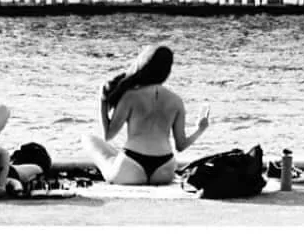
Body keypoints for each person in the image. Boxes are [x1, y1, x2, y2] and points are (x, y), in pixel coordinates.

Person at [82, 43, 210, 186]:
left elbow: (108, 135)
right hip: (164, 168)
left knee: (89, 140)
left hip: (132, 166)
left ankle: (117, 164)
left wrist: (103, 101)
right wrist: (200, 129)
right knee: (114, 153)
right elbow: (181, 145)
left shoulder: (131, 96)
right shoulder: (176, 101)